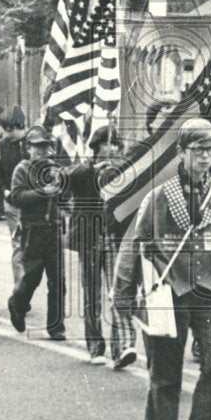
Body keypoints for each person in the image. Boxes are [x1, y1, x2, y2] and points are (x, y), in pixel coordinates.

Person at [113, 118, 211, 420]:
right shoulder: (159, 197)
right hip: (169, 292)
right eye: (197, 149)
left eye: (210, 149)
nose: (204, 156)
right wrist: (123, 293)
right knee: (166, 374)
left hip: (210, 292)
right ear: (182, 153)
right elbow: (135, 243)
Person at [65, 126, 137, 368]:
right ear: (96, 147)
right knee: (92, 295)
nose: (113, 149)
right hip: (90, 238)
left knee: (118, 293)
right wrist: (91, 170)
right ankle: (95, 346)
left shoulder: (122, 170)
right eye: (108, 144)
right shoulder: (83, 170)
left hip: (114, 239)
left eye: (116, 144)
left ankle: (120, 349)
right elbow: (65, 179)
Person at [7, 125, 67, 340]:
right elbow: (16, 197)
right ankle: (17, 303)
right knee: (32, 276)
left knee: (58, 280)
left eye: (45, 147)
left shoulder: (53, 168)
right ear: (28, 148)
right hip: (33, 229)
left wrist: (61, 187)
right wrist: (42, 193)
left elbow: (64, 195)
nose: (41, 151)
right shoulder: (22, 169)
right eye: (37, 147)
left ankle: (56, 325)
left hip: (53, 228)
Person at [0, 105, 27, 286]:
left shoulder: (33, 144)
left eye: (10, 130)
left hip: (32, 203)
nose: (7, 134)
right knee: (18, 246)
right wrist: (4, 191)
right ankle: (20, 291)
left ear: (20, 127)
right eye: (5, 130)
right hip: (12, 202)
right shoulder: (3, 145)